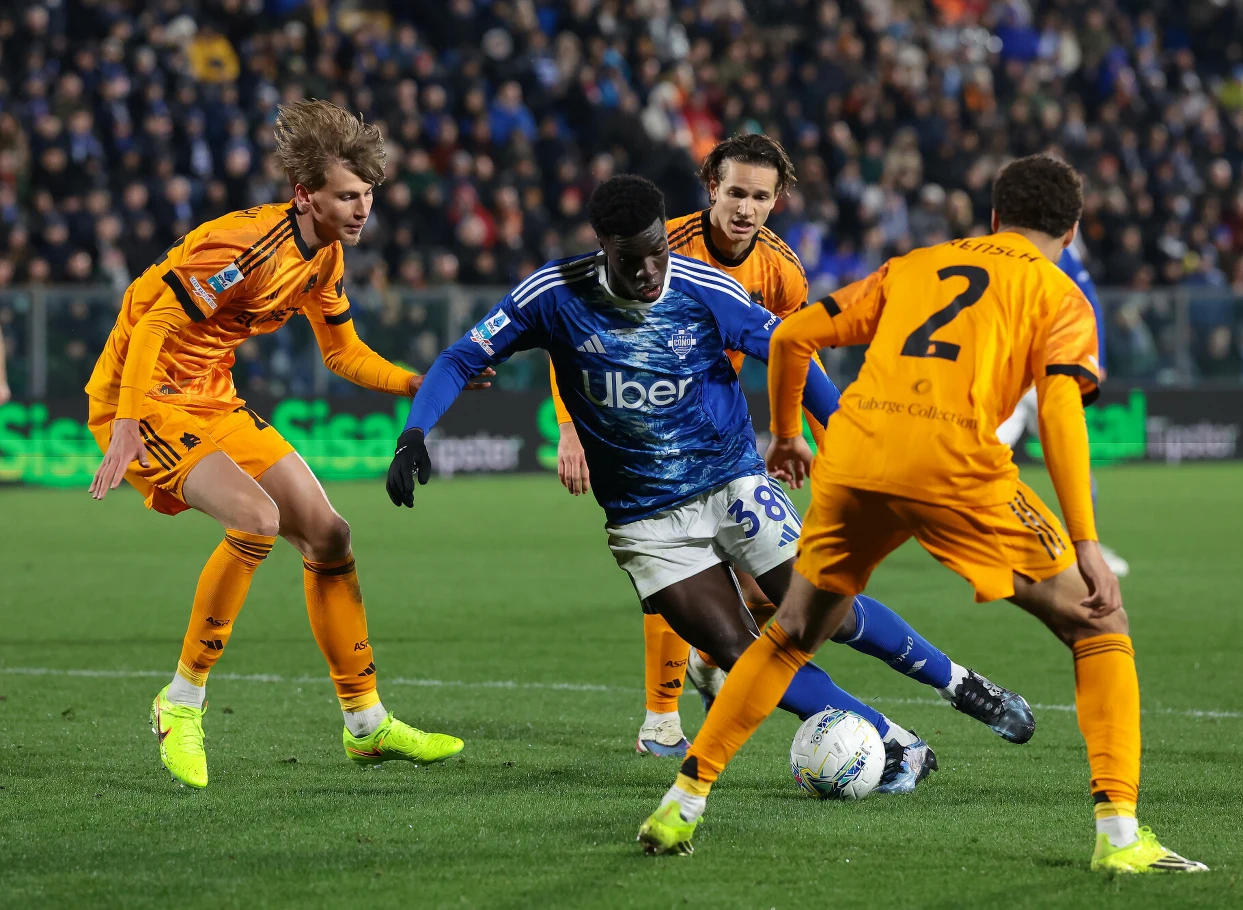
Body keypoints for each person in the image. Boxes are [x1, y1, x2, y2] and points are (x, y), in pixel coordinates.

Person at [638, 155, 1208, 875]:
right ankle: (1120, 836)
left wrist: (786, 434)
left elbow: (789, 337)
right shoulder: (1060, 293)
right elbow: (1061, 405)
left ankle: (683, 801)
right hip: (954, 465)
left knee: (788, 635)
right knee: (1099, 625)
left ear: (996, 218)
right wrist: (1086, 540)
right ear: (1072, 229)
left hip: (856, 455)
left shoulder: (918, 264)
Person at [387, 173, 989, 795]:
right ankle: (888, 735)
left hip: (733, 483)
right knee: (738, 647)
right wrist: (415, 431)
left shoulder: (705, 290)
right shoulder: (553, 293)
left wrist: (843, 430)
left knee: (824, 612)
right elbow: (463, 355)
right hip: (645, 520)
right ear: (602, 248)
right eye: (631, 259)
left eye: (658, 251)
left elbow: (790, 347)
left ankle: (960, 683)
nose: (650, 269)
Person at [550, 135, 1028, 758]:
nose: (744, 208)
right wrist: (568, 427)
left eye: (759, 196)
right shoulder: (657, 243)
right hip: (643, 432)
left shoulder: (781, 269)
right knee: (679, 574)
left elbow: (794, 352)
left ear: (777, 201)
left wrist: (819, 437)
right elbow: (574, 326)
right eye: (734, 192)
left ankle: (957, 684)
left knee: (803, 597)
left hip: (715, 432)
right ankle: (663, 718)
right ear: (711, 188)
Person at [85, 100, 480, 789]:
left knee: (329, 534)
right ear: (305, 196)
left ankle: (365, 725)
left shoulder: (323, 256)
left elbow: (343, 354)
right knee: (258, 519)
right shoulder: (244, 246)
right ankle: (179, 703)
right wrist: (123, 424)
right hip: (142, 394)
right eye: (347, 197)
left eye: (368, 196)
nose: (363, 210)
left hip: (211, 394)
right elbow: (151, 324)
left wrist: (421, 381)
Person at [996, 243, 1130, 576]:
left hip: (1012, 372)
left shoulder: (1001, 249)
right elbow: (1089, 300)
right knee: (1074, 464)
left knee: (978, 456)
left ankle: (976, 540)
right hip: (1044, 373)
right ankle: (1087, 548)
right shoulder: (1058, 251)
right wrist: (1097, 359)